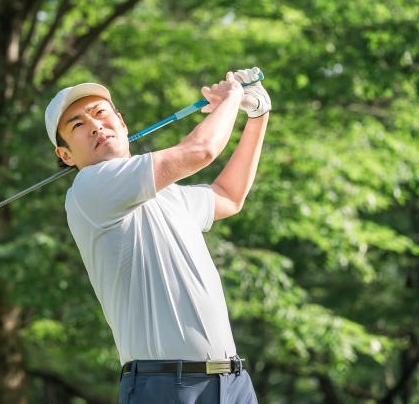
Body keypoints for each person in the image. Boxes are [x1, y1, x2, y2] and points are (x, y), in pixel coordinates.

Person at [44, 68, 271, 404]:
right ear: (65, 156)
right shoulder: (89, 188)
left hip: (233, 381)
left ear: (122, 123)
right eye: (77, 125)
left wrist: (257, 116)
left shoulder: (168, 194)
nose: (95, 125)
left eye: (100, 112)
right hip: (164, 385)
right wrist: (233, 95)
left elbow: (228, 196)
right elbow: (201, 150)